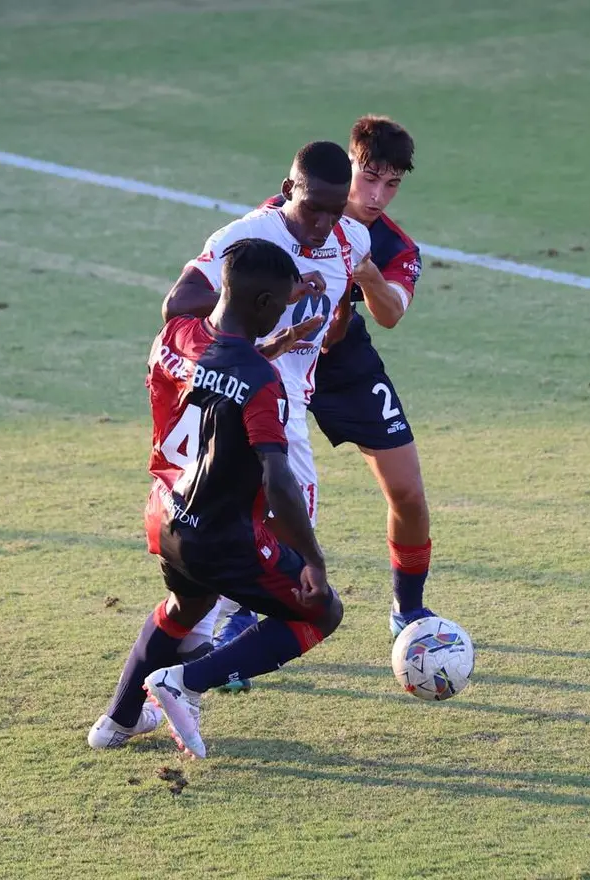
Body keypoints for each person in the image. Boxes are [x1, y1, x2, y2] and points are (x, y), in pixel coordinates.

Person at [87, 142, 369, 747]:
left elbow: (213, 355)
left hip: (165, 514)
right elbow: (277, 480)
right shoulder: (265, 385)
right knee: (319, 611)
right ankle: (186, 680)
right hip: (220, 529)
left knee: (183, 607)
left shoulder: (179, 339)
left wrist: (264, 342)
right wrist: (314, 562)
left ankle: (117, 720)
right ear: (270, 303)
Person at [216, 116, 436, 677]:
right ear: (347, 166)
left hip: (342, 363)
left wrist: (365, 274)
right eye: (369, 178)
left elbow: (390, 315)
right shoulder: (296, 211)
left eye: (392, 185)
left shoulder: (389, 243)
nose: (377, 196)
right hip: (276, 359)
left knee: (408, 492)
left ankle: (407, 611)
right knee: (261, 487)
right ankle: (243, 614)